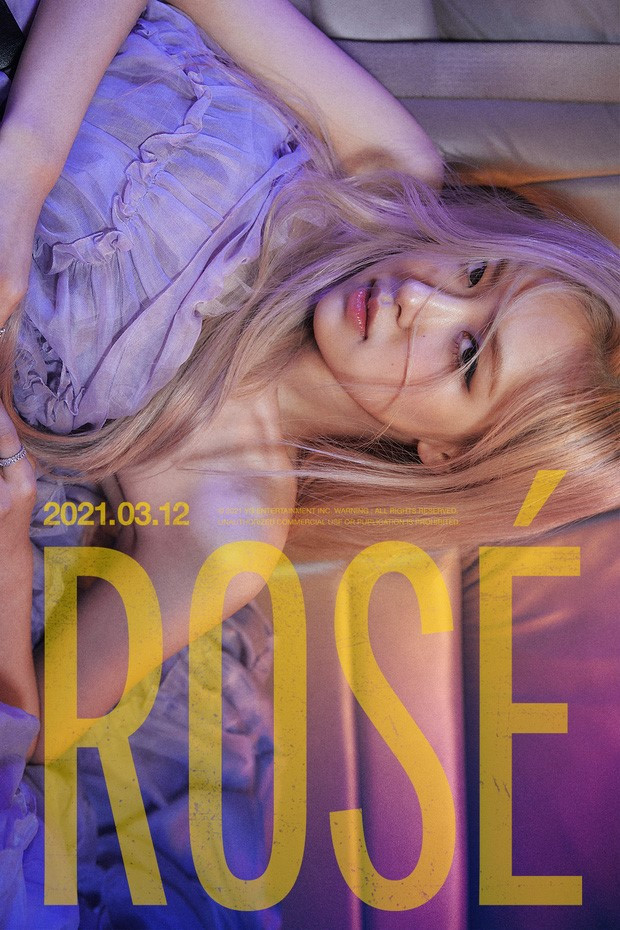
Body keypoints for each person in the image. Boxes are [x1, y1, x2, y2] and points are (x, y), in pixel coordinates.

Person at [0, 0, 618, 926]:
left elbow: (34, 724)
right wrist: (25, 161)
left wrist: (11, 547)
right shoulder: (390, 170)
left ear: (444, 452)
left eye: (465, 358)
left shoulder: (232, 521)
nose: (421, 298)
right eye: (478, 274)